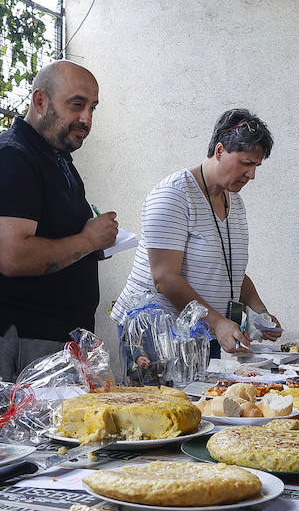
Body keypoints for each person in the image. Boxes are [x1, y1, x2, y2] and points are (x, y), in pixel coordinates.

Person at [0, 60, 119, 377]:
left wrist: (90, 246)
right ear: (40, 101)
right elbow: (14, 257)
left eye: (93, 108)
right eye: (77, 105)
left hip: (53, 342)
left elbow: (55, 236)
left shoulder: (56, 158)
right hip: (18, 343)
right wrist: (88, 240)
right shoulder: (12, 156)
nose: (86, 118)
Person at [109, 109, 282, 354]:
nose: (251, 175)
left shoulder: (235, 201)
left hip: (203, 331)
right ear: (220, 151)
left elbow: (232, 272)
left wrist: (261, 313)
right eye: (246, 163)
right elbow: (165, 279)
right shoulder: (174, 194)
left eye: (256, 166)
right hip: (156, 335)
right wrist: (218, 322)